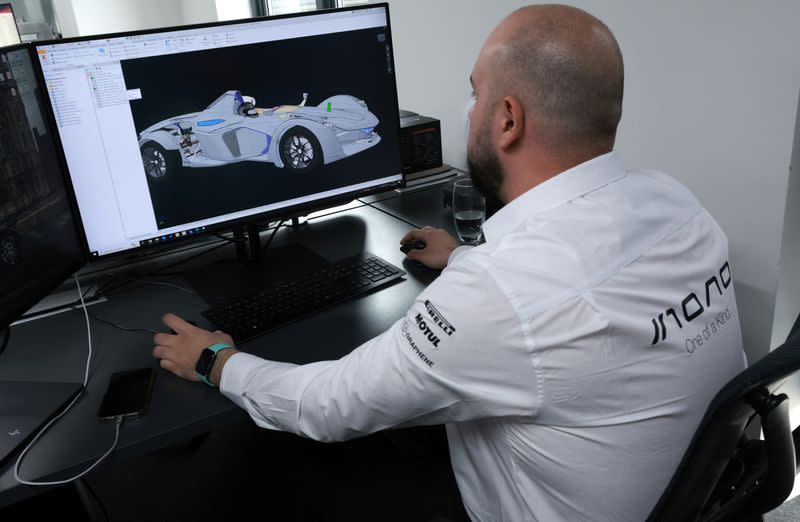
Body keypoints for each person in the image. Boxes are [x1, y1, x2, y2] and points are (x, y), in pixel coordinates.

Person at [153, 4, 746, 521]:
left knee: (286, 466)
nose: (468, 109)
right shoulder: (677, 203)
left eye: (474, 92)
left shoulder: (498, 293)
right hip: (680, 493)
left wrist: (216, 361)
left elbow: (327, 405)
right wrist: (464, 258)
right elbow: (572, 303)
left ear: (508, 120)